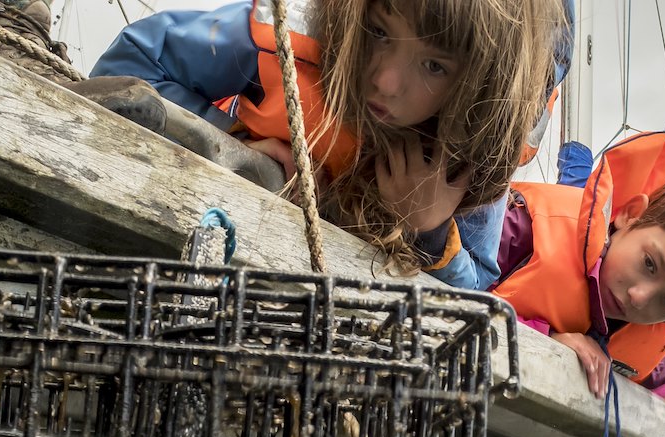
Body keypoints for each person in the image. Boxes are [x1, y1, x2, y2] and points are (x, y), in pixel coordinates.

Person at [90, 0, 573, 290]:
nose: (384, 80)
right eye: (380, 31)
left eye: (434, 66)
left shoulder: (475, 153)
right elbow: (132, 61)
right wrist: (233, 140)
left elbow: (480, 293)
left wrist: (429, 231)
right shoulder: (293, 31)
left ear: (476, 83)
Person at [492, 131, 665, 437]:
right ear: (630, 214)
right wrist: (544, 340)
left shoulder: (661, 330)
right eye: (649, 264)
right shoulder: (520, 230)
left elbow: (659, 369)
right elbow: (450, 290)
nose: (639, 298)